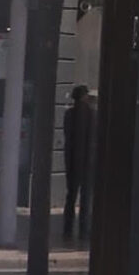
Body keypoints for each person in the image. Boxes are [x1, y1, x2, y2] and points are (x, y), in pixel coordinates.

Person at [61, 84, 94, 237]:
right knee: (85, 197)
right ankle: (83, 229)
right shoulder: (92, 114)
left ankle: (68, 228)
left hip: (72, 161)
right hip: (87, 161)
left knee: (71, 196)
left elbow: (67, 136)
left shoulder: (69, 115)